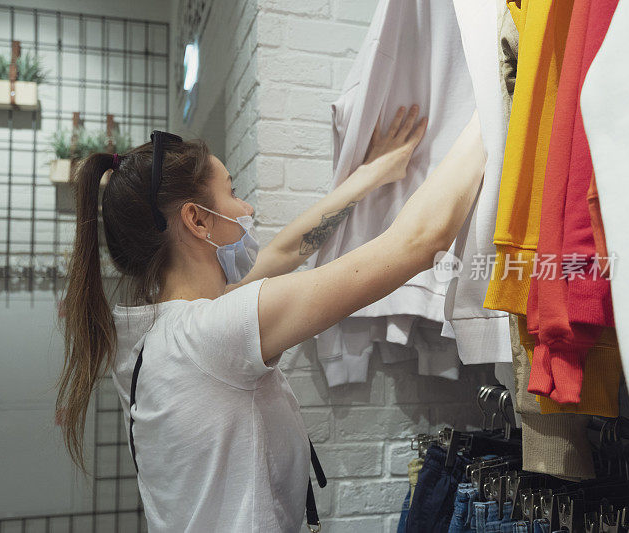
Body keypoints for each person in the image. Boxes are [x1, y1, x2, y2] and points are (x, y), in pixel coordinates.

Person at [56, 105, 486, 532]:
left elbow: (285, 250)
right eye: (233, 192)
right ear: (197, 219)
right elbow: (420, 240)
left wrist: (372, 174)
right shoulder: (212, 333)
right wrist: (491, 105)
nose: (246, 208)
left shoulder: (153, 335)